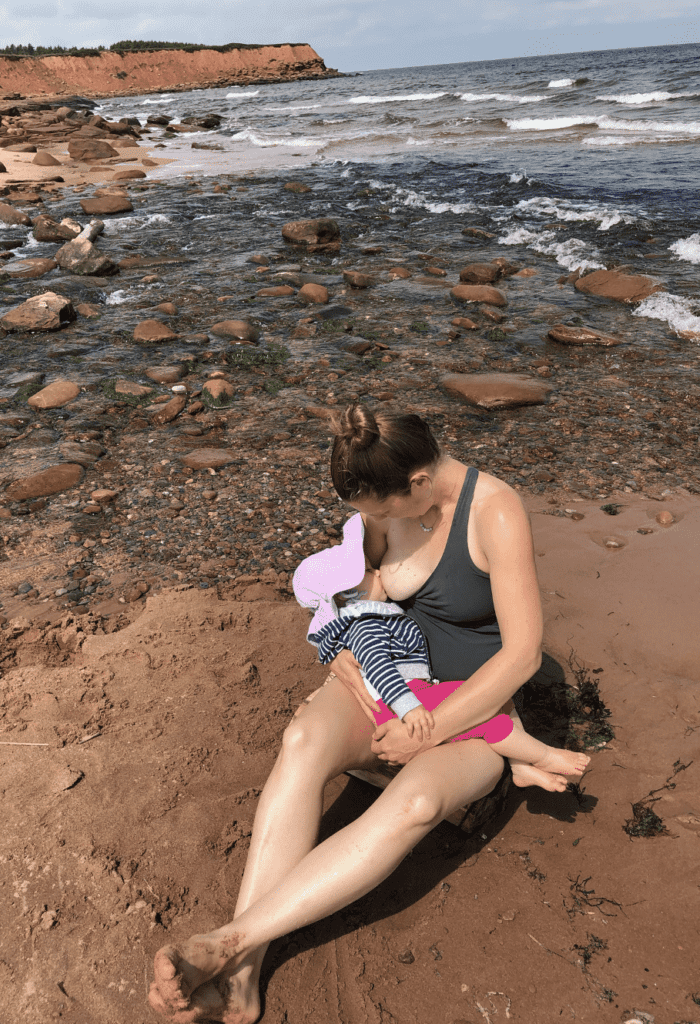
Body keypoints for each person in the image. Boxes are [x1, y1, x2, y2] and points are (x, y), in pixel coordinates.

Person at [149, 404, 583, 1024]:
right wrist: (349, 646)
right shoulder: (385, 509)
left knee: (416, 803)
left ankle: (231, 944)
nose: (368, 522)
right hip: (392, 673)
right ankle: (241, 980)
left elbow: (521, 656)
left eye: (378, 510)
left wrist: (426, 731)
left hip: (469, 701)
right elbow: (367, 585)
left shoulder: (496, 512)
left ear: (417, 484)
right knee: (302, 740)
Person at [293, 518, 589, 782]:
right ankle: (543, 756)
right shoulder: (367, 626)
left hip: (411, 695)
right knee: (486, 710)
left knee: (489, 704)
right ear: (350, 594)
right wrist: (410, 708)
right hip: (400, 703)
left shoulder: (374, 617)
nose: (379, 570)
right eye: (370, 571)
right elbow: (379, 668)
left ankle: (519, 765)